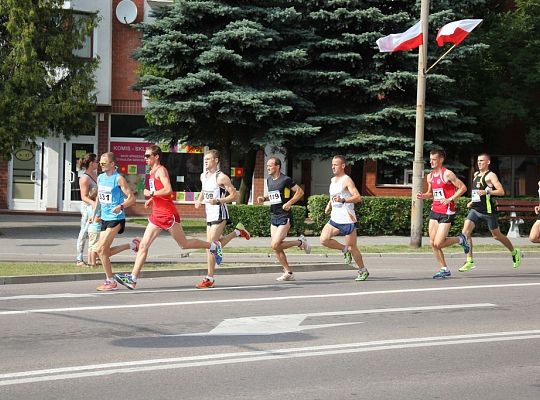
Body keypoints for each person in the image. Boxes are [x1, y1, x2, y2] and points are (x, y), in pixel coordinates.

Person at [113, 145, 223, 290]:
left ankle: (213, 246)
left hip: (167, 214)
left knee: (184, 244)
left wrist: (152, 195)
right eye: (145, 156)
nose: (145, 159)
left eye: (148, 156)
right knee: (144, 245)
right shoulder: (152, 171)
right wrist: (152, 200)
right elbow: (159, 192)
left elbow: (168, 190)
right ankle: (132, 279)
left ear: (156, 156)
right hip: (157, 214)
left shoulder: (161, 170)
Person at [194, 149, 251, 289]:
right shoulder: (203, 176)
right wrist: (199, 200)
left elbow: (234, 196)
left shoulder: (221, 177)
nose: (205, 161)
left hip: (220, 213)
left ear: (216, 160)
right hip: (209, 214)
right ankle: (238, 231)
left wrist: (219, 200)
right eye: (205, 159)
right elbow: (203, 190)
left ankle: (209, 278)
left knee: (210, 246)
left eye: (208, 159)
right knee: (210, 246)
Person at [456, 153, 522, 271]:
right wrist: (472, 202)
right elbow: (477, 192)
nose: (479, 163)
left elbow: (501, 191)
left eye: (482, 161)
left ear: (488, 162)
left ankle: (514, 251)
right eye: (478, 161)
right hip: (475, 209)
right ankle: (469, 260)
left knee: (497, 236)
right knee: (465, 232)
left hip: (488, 211)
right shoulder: (476, 174)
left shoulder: (491, 175)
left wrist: (488, 192)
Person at [416, 148, 469, 279]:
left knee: (439, 243)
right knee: (432, 243)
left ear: (441, 160)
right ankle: (444, 268)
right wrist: (424, 195)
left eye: (434, 160)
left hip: (447, 211)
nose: (432, 162)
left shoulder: (448, 174)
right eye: (430, 159)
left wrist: (450, 199)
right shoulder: (430, 176)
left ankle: (461, 239)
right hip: (435, 210)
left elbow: (463, 188)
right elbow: (431, 193)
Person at [257, 156, 310, 282]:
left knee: (275, 244)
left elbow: (300, 192)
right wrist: (264, 199)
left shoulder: (286, 179)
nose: (268, 168)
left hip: (284, 216)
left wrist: (290, 203)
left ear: (277, 166)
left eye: (270, 165)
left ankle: (300, 243)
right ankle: (288, 272)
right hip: (274, 215)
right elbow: (275, 196)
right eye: (267, 166)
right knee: (276, 247)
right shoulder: (269, 180)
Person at [94, 152, 140, 291]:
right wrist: (96, 213)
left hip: (116, 218)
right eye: (100, 163)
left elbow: (132, 199)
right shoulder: (100, 177)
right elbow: (99, 197)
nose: (101, 165)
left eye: (104, 163)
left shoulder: (118, 178)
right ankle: (131, 245)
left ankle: (110, 281)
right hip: (104, 218)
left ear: (112, 164)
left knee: (100, 249)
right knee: (103, 252)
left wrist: (121, 206)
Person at [319, 155, 369, 281]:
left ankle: (363, 270)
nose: (333, 167)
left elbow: (358, 197)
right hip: (335, 218)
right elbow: (334, 196)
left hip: (347, 219)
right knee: (324, 240)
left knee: (353, 247)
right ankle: (344, 249)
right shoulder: (332, 180)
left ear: (342, 166)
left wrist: (344, 200)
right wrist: (329, 205)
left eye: (335, 164)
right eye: (332, 164)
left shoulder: (347, 180)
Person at [76, 153, 98, 266]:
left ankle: (95, 255)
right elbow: (83, 196)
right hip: (87, 207)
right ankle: (79, 258)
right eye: (96, 161)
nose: (98, 163)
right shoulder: (85, 178)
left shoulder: (94, 174)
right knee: (84, 231)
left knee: (95, 231)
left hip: (95, 206)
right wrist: (93, 203)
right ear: (91, 163)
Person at [86, 187, 101, 267]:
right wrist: (104, 218)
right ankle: (93, 263)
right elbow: (97, 219)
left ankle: (89, 262)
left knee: (90, 246)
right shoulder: (97, 206)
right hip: (96, 228)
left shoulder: (89, 206)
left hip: (90, 228)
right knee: (95, 246)